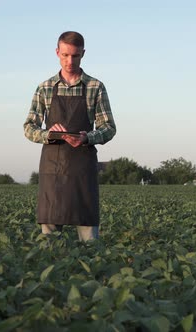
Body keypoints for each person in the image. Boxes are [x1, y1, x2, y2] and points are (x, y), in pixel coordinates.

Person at [23, 31, 116, 241]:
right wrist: (50, 134)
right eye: (65, 55)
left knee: (90, 241)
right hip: (52, 171)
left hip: (82, 170)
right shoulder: (45, 88)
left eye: (75, 56)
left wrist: (87, 137)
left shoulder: (95, 87)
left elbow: (109, 127)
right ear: (57, 52)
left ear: (83, 53)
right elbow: (29, 127)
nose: (69, 61)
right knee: (50, 244)